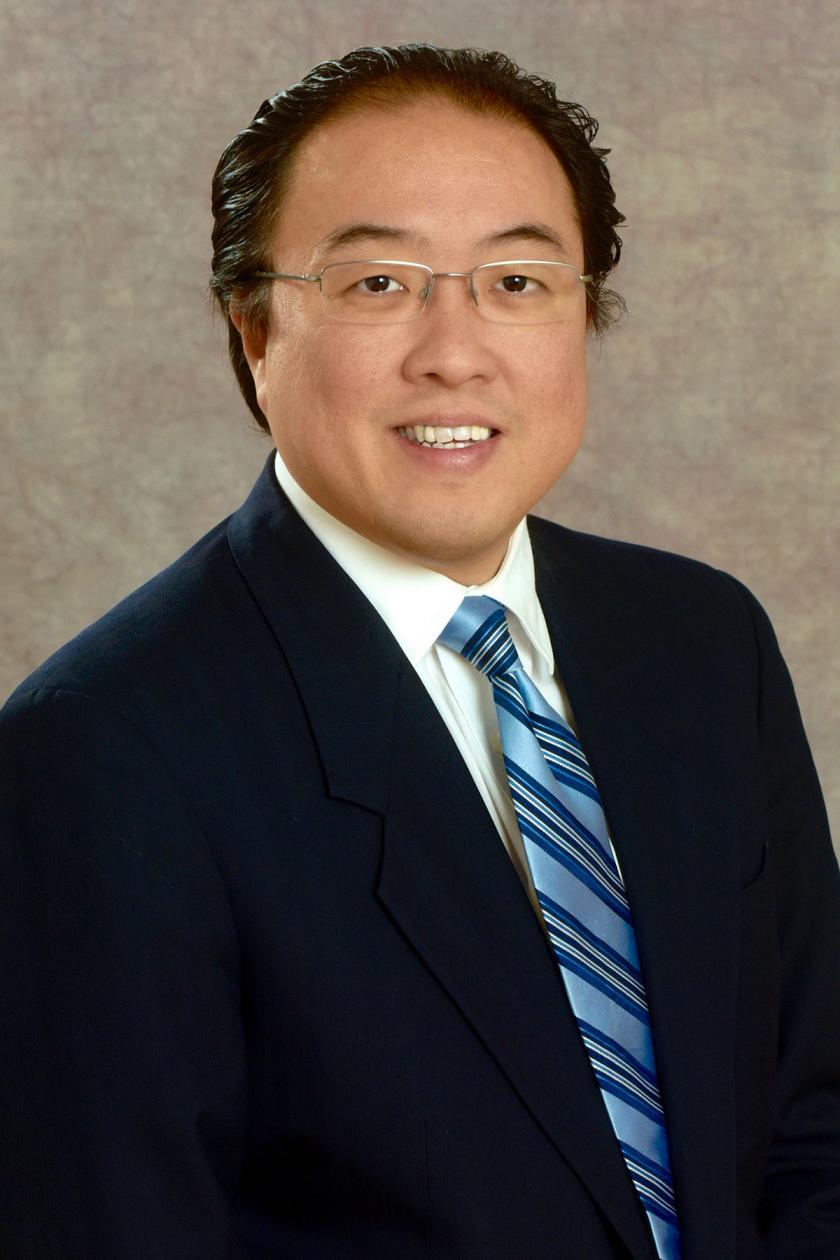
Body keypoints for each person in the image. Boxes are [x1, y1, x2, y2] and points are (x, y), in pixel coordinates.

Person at [1, 43, 837, 1260]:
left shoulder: (704, 644)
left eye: (517, 281)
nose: (456, 351)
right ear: (253, 326)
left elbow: (815, 1127)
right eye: (380, 283)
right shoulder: (101, 753)